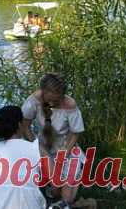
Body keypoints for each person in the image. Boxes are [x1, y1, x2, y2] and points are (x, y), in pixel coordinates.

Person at [21, 73, 86, 209]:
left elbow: (75, 133)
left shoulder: (70, 104)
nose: (54, 104)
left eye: (57, 100)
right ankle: (51, 186)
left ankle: (65, 189)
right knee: (54, 188)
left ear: (62, 95)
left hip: (66, 147)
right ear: (43, 92)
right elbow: (25, 127)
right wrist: (36, 147)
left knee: (66, 197)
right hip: (42, 147)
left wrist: (64, 154)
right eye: (50, 100)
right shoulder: (33, 101)